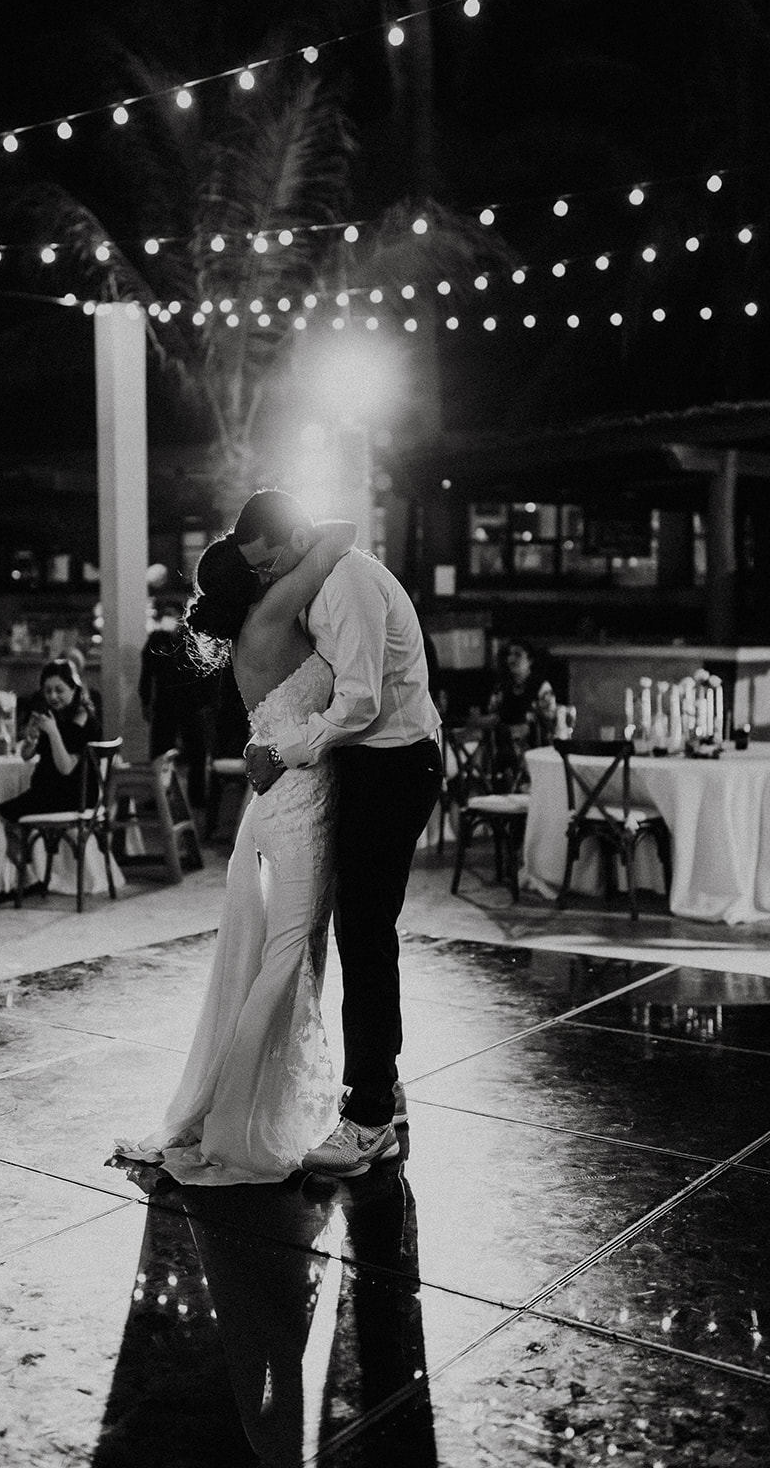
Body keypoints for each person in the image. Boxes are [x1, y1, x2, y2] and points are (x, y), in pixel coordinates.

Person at [113, 517, 357, 1185]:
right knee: (284, 962)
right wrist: (295, 537)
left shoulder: (248, 634)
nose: (270, 569)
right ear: (248, 580)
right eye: (257, 566)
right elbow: (343, 531)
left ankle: (243, 1096)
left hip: (275, 804)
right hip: (298, 807)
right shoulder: (275, 610)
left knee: (287, 955)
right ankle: (233, 1117)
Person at [237, 490, 443, 1179]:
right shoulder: (322, 574)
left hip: (394, 764)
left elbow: (359, 701)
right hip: (371, 764)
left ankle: (369, 1120)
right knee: (362, 928)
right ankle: (383, 1090)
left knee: (363, 930)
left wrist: (286, 748)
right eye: (258, 574)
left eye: (270, 564)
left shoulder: (347, 583)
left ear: (298, 535)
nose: (269, 580)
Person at [0, 656, 101, 909]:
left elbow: (66, 768)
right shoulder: (54, 715)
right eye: (48, 690)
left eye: (60, 690)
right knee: (8, 823)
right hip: (52, 791)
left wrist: (53, 733)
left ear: (74, 688)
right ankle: (28, 878)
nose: (53, 696)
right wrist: (31, 739)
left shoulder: (82, 718)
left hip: (69, 794)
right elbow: (27, 756)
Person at [138, 601, 207, 808]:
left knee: (196, 751)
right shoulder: (156, 640)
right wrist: (146, 701)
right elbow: (146, 675)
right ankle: (159, 795)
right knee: (160, 752)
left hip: (190, 702)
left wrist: (205, 702)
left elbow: (203, 673)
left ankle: (196, 797)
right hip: (164, 703)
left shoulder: (190, 639)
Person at [487, 637, 557, 790]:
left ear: (530, 660)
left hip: (532, 745)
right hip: (504, 745)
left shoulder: (541, 687)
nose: (512, 659)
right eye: (510, 655)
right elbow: (493, 714)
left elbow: (550, 719)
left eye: (518, 655)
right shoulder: (503, 688)